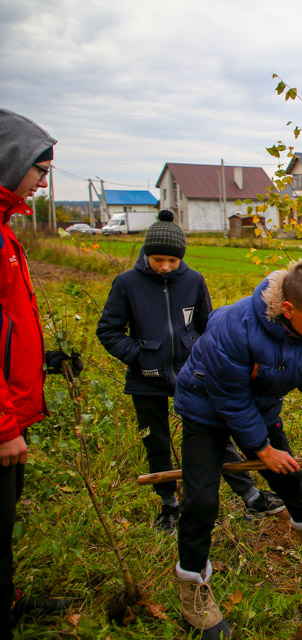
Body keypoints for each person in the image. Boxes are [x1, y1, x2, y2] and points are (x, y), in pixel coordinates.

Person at [173, 260, 302, 638]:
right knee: (201, 501)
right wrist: (262, 450)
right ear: (288, 309)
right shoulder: (235, 328)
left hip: (258, 409)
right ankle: (193, 590)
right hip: (205, 409)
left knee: (290, 478)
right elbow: (230, 401)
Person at [96, 210, 285, 533]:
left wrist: (202, 358)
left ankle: (251, 495)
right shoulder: (126, 283)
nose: (165, 266)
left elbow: (208, 325)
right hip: (146, 378)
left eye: (172, 260)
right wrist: (139, 357)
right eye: (158, 260)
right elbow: (108, 330)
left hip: (193, 375)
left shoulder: (193, 280)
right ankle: (169, 504)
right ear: (146, 254)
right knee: (156, 441)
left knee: (214, 434)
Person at [0, 109, 71, 639]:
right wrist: (4, 424)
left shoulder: (5, 231)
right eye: (40, 169)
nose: (43, 182)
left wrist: (43, 359)